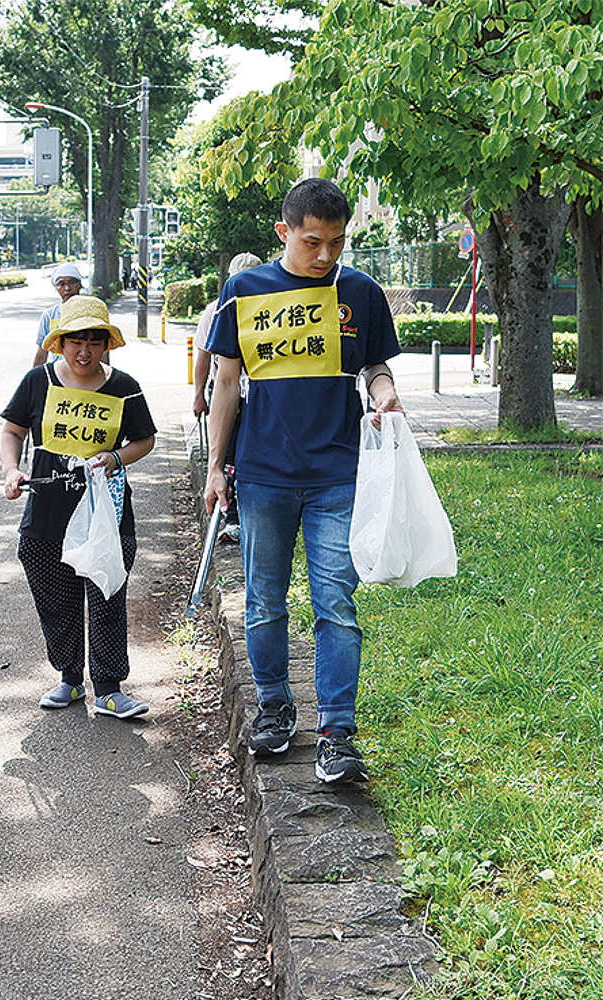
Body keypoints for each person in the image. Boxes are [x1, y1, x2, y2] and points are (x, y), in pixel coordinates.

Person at [203, 178, 404, 785]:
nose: (325, 256)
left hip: (338, 473)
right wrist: (216, 466)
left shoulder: (359, 292)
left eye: (337, 243)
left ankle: (338, 732)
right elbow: (227, 385)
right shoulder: (245, 290)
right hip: (263, 474)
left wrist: (387, 396)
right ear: (284, 232)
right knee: (263, 602)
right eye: (313, 242)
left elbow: (375, 368)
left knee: (336, 605)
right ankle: (273, 706)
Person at [1, 295, 157, 719]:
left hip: (105, 515)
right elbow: (12, 431)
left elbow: (145, 438)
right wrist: (12, 470)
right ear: (60, 343)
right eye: (75, 341)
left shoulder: (124, 386)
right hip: (46, 515)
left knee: (106, 594)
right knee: (56, 599)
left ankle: (108, 688)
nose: (84, 351)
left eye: (94, 341)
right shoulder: (38, 381)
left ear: (107, 344)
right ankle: (69, 679)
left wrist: (117, 458)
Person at [193, 252, 263, 544]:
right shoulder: (216, 310)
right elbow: (203, 357)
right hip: (225, 391)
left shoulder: (268, 307)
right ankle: (232, 517)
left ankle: (253, 513)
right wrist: (199, 395)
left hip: (259, 394)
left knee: (255, 452)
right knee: (228, 454)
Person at [31, 263, 83, 368]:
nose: (67, 288)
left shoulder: (92, 312)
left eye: (72, 282)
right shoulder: (49, 316)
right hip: (58, 373)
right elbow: (42, 351)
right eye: (61, 284)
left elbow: (103, 351)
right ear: (56, 287)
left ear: (80, 284)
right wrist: (35, 381)